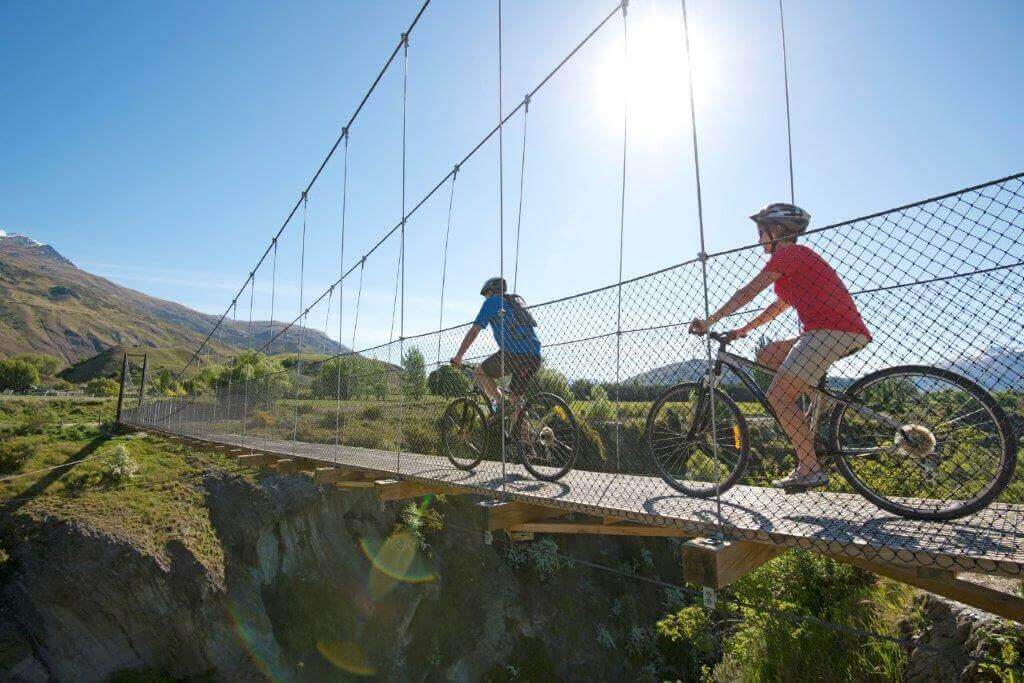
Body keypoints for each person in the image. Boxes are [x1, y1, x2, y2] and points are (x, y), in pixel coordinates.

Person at [689, 203, 871, 490]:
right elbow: (777, 307)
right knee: (768, 354)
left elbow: (747, 291)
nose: (758, 238)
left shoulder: (789, 254)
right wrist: (743, 330)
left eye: (760, 232)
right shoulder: (795, 262)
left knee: (778, 396)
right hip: (832, 331)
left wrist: (709, 320)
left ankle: (810, 468)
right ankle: (815, 395)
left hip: (831, 331)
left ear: (775, 231)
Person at [451, 277, 542, 415]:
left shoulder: (492, 302)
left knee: (479, 372)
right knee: (516, 402)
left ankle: (500, 404)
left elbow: (475, 331)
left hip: (514, 354)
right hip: (534, 356)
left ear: (490, 291)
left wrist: (459, 356)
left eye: (486, 294)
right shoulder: (514, 303)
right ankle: (526, 436)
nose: (485, 298)